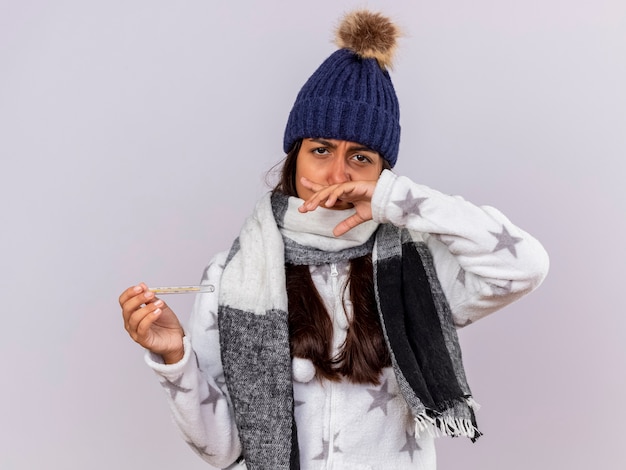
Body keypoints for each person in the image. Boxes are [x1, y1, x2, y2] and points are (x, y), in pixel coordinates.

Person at [119, 9, 549, 470]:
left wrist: (398, 200)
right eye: (320, 150)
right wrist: (174, 359)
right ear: (295, 156)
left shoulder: (417, 268)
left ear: (382, 174)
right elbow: (221, 450)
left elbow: (525, 265)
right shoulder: (231, 274)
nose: (336, 174)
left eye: (360, 157)